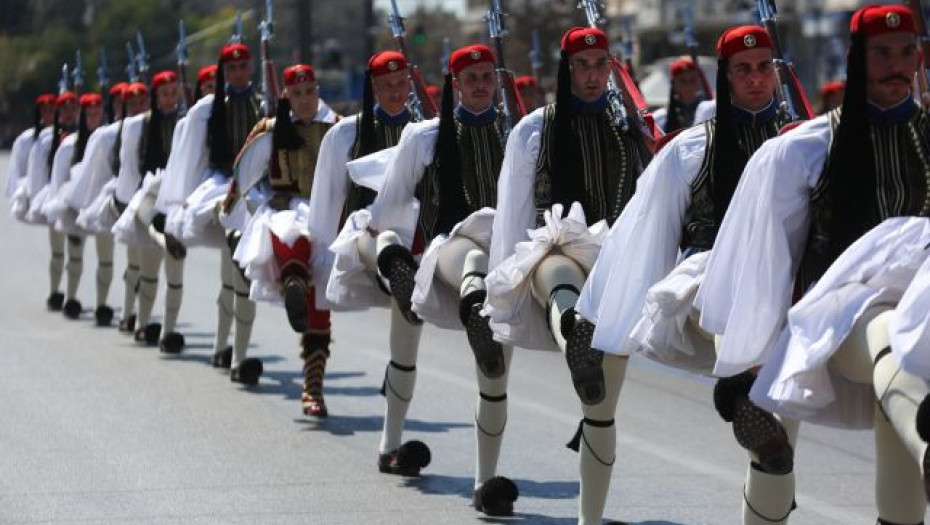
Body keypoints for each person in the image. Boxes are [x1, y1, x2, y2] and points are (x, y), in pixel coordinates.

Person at [695, 6, 930, 524]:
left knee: (902, 489)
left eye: (905, 52)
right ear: (857, 59)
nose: (896, 65)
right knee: (775, 460)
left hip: (925, 316)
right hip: (833, 321)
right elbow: (767, 261)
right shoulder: (806, 150)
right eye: (882, 53)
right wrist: (750, 361)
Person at [574, 25, 801, 525]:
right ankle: (740, 383)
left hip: (787, 295)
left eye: (763, 67)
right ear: (725, 77)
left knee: (778, 448)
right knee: (735, 303)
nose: (756, 78)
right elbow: (645, 234)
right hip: (708, 281)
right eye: (743, 69)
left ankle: (748, 397)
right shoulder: (692, 149)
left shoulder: (805, 143)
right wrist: (602, 318)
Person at [483, 27, 645, 525]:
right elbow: (513, 213)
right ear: (566, 69)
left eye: (600, 66)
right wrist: (502, 290)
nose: (592, 76)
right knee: (557, 270)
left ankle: (588, 520)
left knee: (601, 409)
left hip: (614, 261)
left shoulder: (629, 125)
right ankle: (573, 331)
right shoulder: (535, 129)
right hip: (554, 248)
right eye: (582, 66)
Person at [363, 44, 515, 514]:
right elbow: (390, 204)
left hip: (500, 261)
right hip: (439, 252)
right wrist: (396, 252)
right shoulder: (424, 138)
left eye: (487, 76)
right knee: (404, 349)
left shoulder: (518, 135)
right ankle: (390, 444)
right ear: (455, 85)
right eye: (471, 78)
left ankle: (485, 484)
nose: (481, 85)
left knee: (494, 373)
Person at [228, 63, 340, 398]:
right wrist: (241, 205)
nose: (304, 100)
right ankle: (293, 282)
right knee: (290, 233)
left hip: (326, 214)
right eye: (297, 94)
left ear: (318, 91)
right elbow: (244, 173)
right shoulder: (271, 129)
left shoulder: (337, 127)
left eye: (309, 92)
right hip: (285, 209)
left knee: (320, 303)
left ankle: (313, 385)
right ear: (287, 96)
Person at [651, 58, 707, 132]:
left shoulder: (710, 111)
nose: (688, 85)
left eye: (693, 80)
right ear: (674, 83)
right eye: (682, 81)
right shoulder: (661, 116)